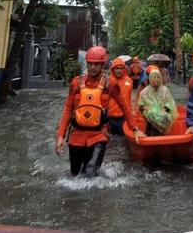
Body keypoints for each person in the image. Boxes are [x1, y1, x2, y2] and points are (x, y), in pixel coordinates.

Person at [55, 46, 144, 177]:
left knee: (90, 173)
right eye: (90, 64)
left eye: (96, 64)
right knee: (75, 174)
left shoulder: (110, 84)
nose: (92, 67)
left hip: (98, 135)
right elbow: (68, 109)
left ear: (102, 65)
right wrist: (61, 135)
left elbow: (124, 106)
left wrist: (135, 129)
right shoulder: (76, 83)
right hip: (76, 136)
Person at [138, 69, 178, 136]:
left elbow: (170, 102)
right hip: (150, 118)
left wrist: (164, 109)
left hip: (163, 118)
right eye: (154, 77)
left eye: (158, 77)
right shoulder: (144, 92)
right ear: (150, 78)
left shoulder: (165, 90)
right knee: (150, 130)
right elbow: (141, 106)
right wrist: (149, 110)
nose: (156, 79)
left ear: (161, 79)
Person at [108, 57, 133, 137]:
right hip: (110, 116)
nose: (119, 70)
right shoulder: (108, 81)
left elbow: (129, 98)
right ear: (113, 69)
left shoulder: (129, 81)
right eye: (117, 68)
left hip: (124, 116)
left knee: (123, 138)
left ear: (124, 69)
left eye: (121, 68)